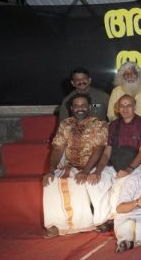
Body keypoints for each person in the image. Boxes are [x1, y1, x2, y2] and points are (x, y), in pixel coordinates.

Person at [42, 93, 109, 237]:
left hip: (92, 166)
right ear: (71, 108)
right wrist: (51, 170)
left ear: (89, 107)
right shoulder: (66, 124)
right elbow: (58, 148)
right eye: (76, 106)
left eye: (83, 105)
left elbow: (98, 150)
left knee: (82, 182)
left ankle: (89, 222)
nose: (80, 108)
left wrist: (86, 171)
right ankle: (54, 224)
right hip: (70, 166)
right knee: (50, 182)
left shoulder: (99, 124)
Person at [93, 94, 141, 229]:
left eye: (128, 105)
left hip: (135, 165)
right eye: (122, 106)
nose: (125, 109)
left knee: (122, 183)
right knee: (97, 182)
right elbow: (107, 152)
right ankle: (102, 218)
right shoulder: (113, 125)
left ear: (134, 107)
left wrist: (128, 170)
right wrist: (98, 171)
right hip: (114, 164)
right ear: (118, 108)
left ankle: (116, 219)